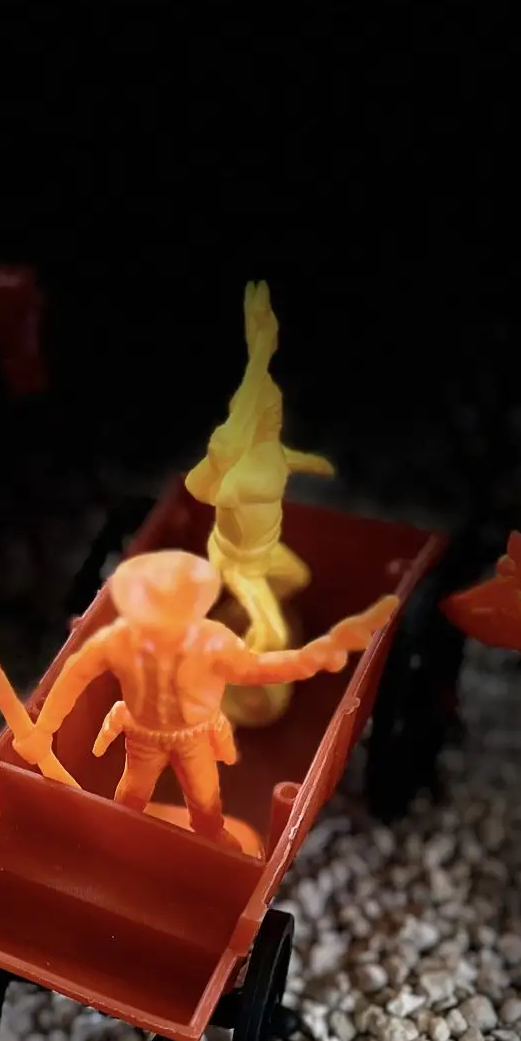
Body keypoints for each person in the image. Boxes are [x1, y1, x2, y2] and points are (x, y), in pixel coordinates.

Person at [0, 548, 395, 852]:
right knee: (132, 794)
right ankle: (121, 836)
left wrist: (315, 655)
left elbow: (261, 668)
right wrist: (46, 729)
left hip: (194, 735)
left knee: (204, 800)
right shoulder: (119, 641)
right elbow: (74, 675)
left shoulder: (211, 641)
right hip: (143, 735)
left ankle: (208, 835)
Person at [184, 281, 336, 726]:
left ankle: (239, 626)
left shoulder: (269, 452)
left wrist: (312, 463)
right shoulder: (236, 473)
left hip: (266, 552)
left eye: (276, 414)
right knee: (272, 631)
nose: (273, 418)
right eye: (265, 415)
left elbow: (286, 457)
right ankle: (234, 679)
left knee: (298, 577)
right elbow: (200, 487)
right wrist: (215, 464)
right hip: (239, 562)